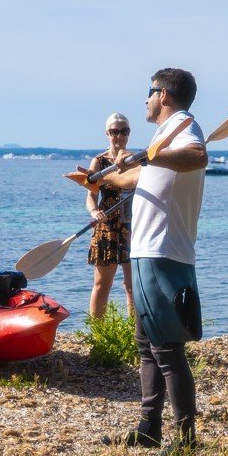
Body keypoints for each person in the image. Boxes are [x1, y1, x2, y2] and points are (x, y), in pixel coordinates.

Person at [94, 68, 207, 453]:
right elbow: (137, 179)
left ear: (164, 95)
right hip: (146, 250)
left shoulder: (184, 128)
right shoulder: (165, 133)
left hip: (163, 252)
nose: (145, 100)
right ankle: (148, 427)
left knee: (166, 349)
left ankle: (187, 440)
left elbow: (197, 156)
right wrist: (100, 180)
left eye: (149, 92)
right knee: (147, 345)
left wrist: (148, 154)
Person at [85, 112, 134, 318]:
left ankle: (135, 333)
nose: (119, 136)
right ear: (107, 134)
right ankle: (98, 334)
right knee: (102, 284)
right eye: (115, 132)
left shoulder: (134, 160)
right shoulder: (99, 162)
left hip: (131, 225)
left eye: (124, 131)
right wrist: (95, 212)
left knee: (132, 286)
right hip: (106, 225)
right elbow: (90, 197)